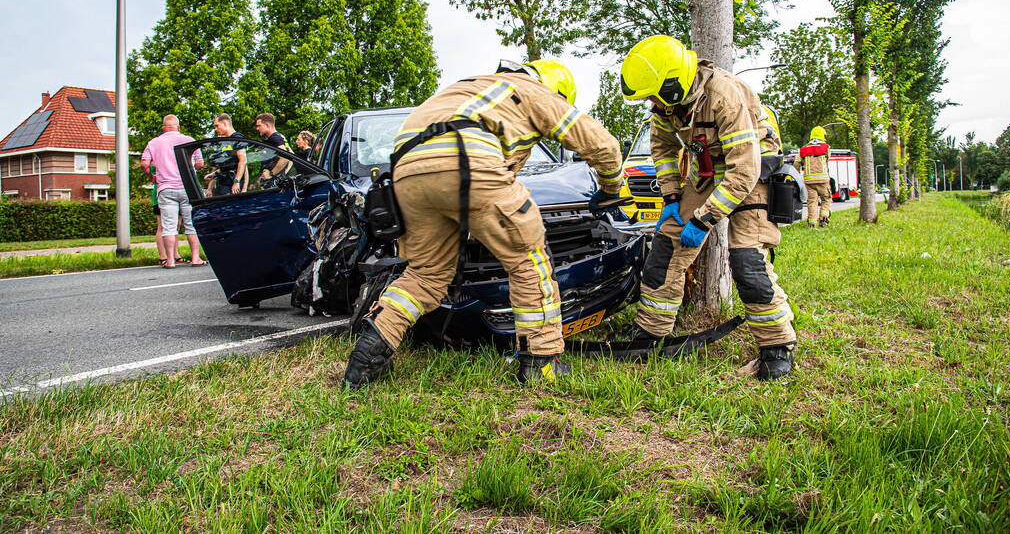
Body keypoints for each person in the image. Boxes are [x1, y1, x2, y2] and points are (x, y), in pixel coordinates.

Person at [343, 59, 624, 388]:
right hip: (466, 159)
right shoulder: (535, 91)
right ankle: (542, 362)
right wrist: (610, 190)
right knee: (528, 261)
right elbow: (603, 145)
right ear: (556, 90)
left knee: (424, 274)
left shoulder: (468, 87)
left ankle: (367, 356)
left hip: (406, 174)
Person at [616, 35, 797, 380]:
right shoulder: (666, 107)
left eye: (654, 95)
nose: (651, 103)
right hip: (708, 170)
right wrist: (671, 198)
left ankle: (777, 345)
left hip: (754, 171)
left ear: (674, 84)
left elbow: (744, 170)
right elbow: (664, 149)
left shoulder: (724, 96)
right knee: (665, 250)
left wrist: (705, 218)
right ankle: (651, 332)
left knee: (747, 262)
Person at [140, 115, 206, 268]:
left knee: (168, 226)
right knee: (191, 225)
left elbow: (144, 164)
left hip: (166, 188)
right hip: (187, 188)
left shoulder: (154, 142)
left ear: (164, 127)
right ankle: (195, 258)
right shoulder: (189, 140)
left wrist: (152, 176)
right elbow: (200, 163)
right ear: (178, 127)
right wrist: (192, 169)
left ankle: (170, 261)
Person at [795, 126, 831, 227]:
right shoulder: (826, 147)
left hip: (809, 180)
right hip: (823, 179)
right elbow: (828, 158)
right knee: (826, 199)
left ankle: (812, 223)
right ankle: (824, 219)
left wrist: (797, 175)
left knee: (812, 201)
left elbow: (796, 163)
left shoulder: (803, 149)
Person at [205, 114, 247, 196]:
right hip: (222, 185)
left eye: (217, 126)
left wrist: (237, 181)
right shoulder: (225, 142)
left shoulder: (237, 138)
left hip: (232, 187)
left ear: (224, 123)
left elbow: (243, 161)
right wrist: (213, 174)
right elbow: (228, 165)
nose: (215, 129)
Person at [254, 113, 292, 187]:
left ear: (267, 125)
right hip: (279, 181)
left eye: (259, 126)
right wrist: (283, 173)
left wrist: (271, 174)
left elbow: (285, 158)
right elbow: (291, 155)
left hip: (274, 183)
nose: (257, 128)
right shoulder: (280, 136)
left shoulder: (274, 138)